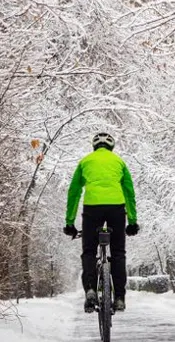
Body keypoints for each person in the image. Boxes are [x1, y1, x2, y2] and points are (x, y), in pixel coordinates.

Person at [63, 132, 139, 313]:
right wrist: (132, 221)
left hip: (92, 208)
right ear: (111, 147)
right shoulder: (119, 162)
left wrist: (70, 222)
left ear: (94, 146)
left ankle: (90, 289)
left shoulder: (85, 161)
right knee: (118, 252)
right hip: (116, 209)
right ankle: (119, 297)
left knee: (89, 251)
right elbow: (129, 192)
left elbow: (74, 192)